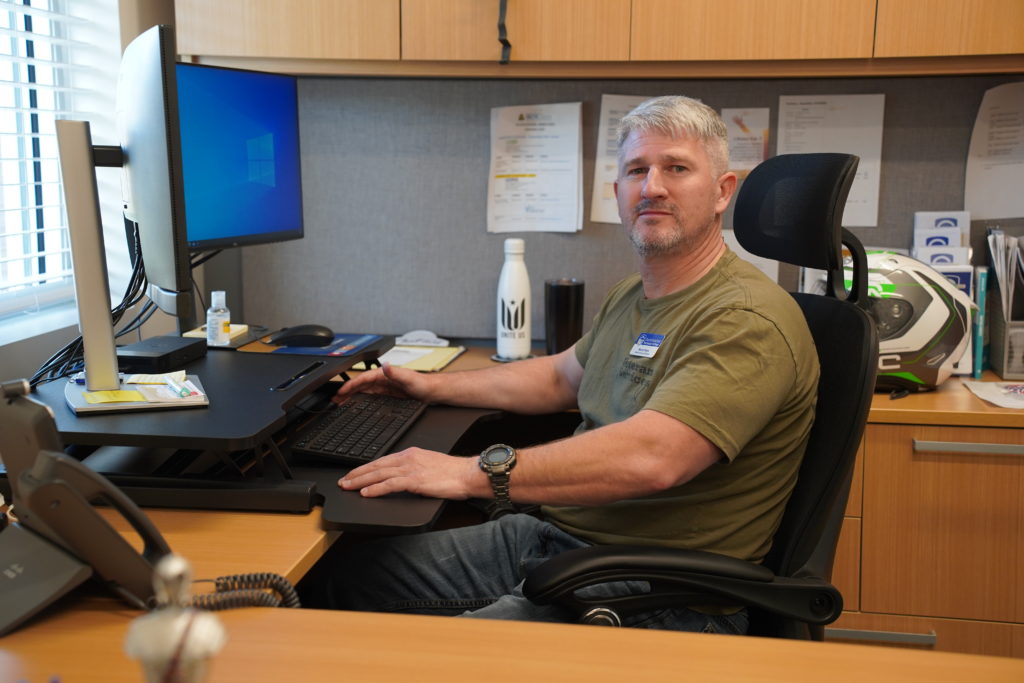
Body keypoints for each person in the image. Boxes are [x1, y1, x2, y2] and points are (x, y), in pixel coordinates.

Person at [303, 95, 819, 634]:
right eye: (636, 170)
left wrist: (467, 473)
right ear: (617, 189)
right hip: (563, 541)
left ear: (721, 192)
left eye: (677, 168)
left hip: (663, 591)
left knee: (442, 658)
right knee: (332, 580)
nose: (653, 187)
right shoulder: (635, 295)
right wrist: (430, 387)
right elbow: (558, 377)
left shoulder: (746, 318)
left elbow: (654, 458)